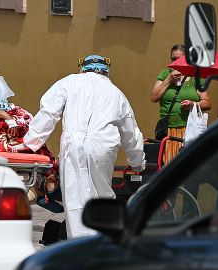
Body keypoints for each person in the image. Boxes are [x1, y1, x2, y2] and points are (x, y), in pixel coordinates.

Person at [19, 55, 146, 239]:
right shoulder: (116, 93)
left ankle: (79, 247)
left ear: (82, 68)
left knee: (74, 199)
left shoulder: (69, 82)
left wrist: (30, 143)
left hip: (74, 145)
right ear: (106, 70)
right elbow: (131, 132)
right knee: (102, 194)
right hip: (104, 145)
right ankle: (103, 241)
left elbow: (49, 112)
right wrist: (137, 163)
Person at [150, 44, 211, 163]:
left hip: (188, 129)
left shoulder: (195, 77)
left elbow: (207, 103)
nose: (176, 61)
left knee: (187, 165)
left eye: (179, 58)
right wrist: (168, 80)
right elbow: (154, 97)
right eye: (173, 58)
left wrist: (193, 104)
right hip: (167, 130)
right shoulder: (164, 74)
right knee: (168, 165)